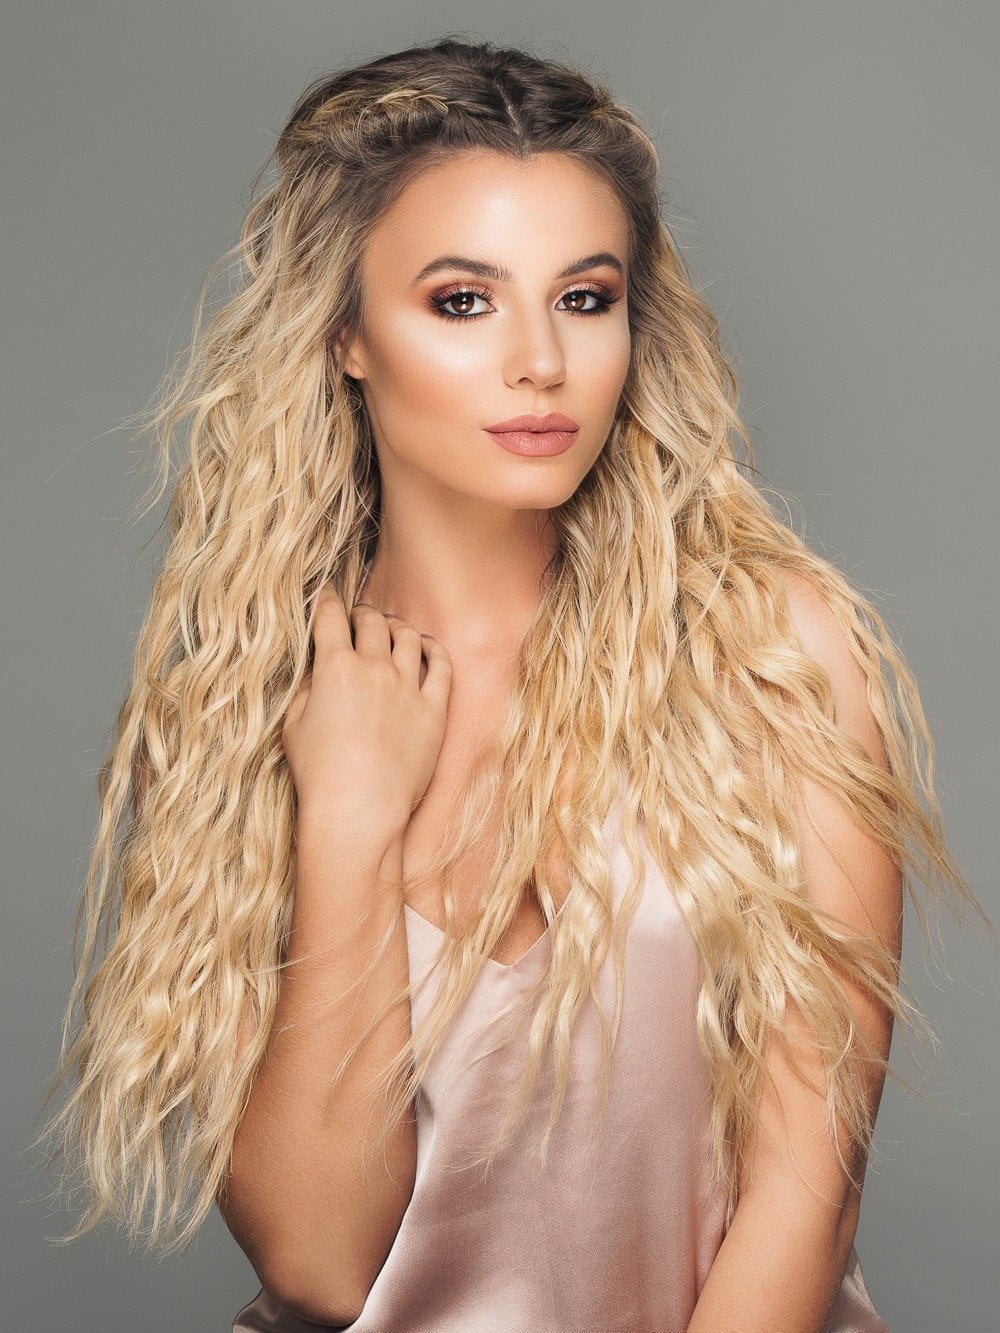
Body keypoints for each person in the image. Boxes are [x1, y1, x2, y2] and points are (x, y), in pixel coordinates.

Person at [33, 36, 994, 1333]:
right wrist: (351, 819)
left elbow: (806, 1193)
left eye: (585, 298)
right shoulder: (253, 701)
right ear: (347, 334)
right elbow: (320, 1264)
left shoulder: (772, 654)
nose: (541, 360)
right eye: (463, 302)